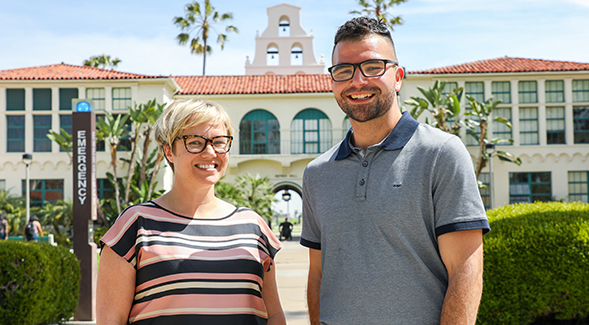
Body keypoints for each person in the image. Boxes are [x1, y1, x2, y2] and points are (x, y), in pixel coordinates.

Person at [300, 17, 490, 325]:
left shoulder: (441, 153)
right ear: (332, 82)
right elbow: (318, 274)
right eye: (344, 71)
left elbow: (466, 271)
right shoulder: (317, 173)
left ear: (398, 76)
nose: (357, 81)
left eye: (373, 67)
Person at [97, 99, 286, 325]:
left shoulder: (253, 226)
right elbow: (111, 320)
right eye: (195, 142)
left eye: (219, 142)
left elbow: (273, 314)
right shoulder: (135, 225)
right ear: (168, 151)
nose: (209, 152)